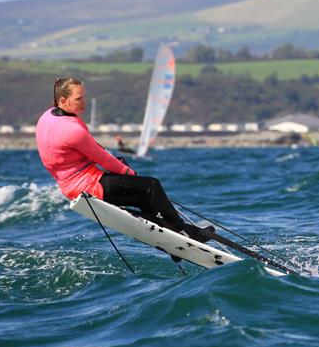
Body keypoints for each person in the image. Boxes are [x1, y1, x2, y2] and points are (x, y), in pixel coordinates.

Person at [36, 76, 212, 242]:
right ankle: (181, 231)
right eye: (78, 99)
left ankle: (169, 232)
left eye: (84, 97)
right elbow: (102, 158)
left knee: (140, 193)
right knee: (151, 186)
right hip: (89, 186)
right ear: (62, 101)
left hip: (71, 185)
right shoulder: (73, 130)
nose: (84, 103)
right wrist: (128, 172)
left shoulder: (49, 116)